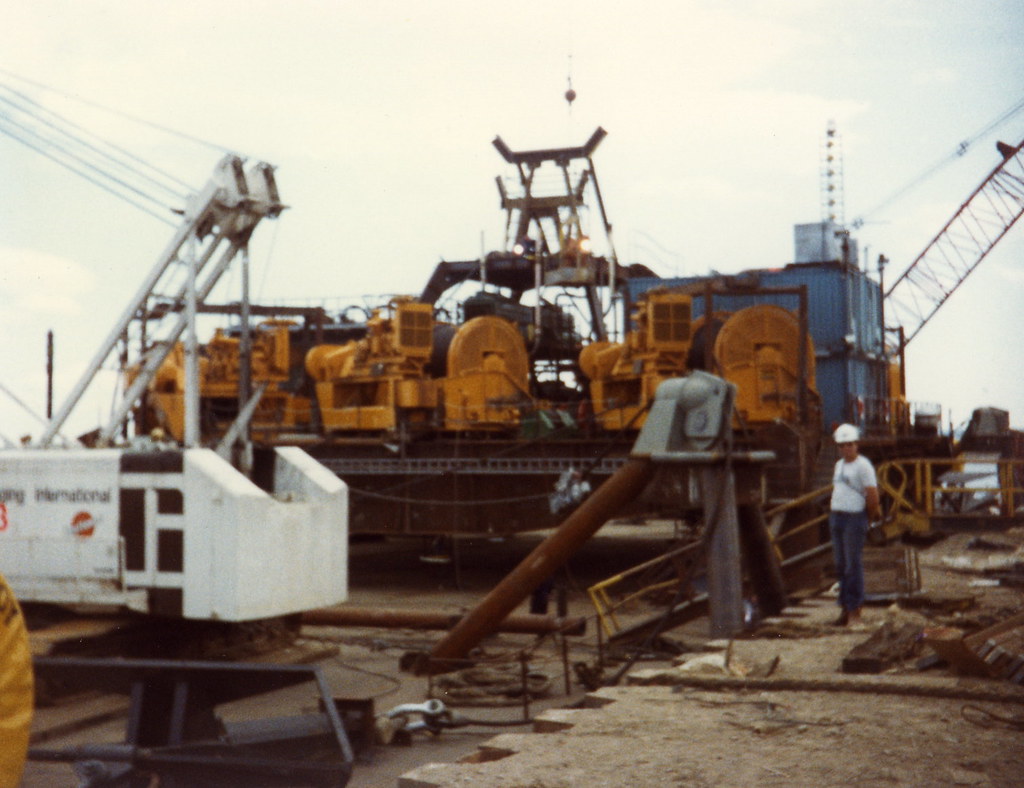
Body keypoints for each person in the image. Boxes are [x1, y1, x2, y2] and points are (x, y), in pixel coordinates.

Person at [829, 423, 880, 626]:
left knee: (852, 566)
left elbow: (873, 496)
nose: (845, 449)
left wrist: (867, 518)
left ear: (856, 445)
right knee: (841, 565)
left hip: (854, 518)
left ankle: (855, 611)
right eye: (841, 445)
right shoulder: (838, 465)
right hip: (837, 517)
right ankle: (844, 608)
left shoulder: (863, 466)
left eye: (849, 444)